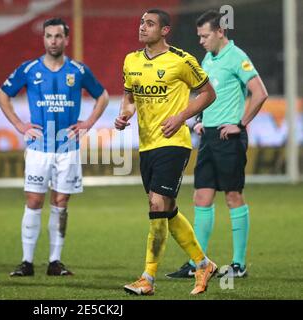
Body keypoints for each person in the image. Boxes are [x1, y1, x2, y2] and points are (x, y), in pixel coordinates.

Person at [115, 8, 218, 296]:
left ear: (164, 30)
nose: (143, 27)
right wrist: (125, 114)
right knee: (167, 210)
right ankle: (203, 263)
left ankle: (147, 278)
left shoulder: (181, 60)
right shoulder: (131, 60)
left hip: (174, 143)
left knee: (157, 205)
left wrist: (181, 116)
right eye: (141, 22)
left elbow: (209, 93)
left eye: (149, 23)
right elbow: (129, 96)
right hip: (146, 145)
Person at [0, 17, 109, 276]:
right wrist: (19, 125)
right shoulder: (29, 68)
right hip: (38, 148)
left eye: (58, 36)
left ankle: (55, 261)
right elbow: (2, 95)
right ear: (43, 39)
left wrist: (89, 122)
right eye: (49, 36)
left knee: (61, 203)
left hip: (68, 149)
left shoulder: (78, 71)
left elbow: (102, 96)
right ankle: (26, 262)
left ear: (66, 39)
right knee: (34, 201)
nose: (53, 41)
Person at [166, 10, 268, 279]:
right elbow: (205, 94)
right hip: (209, 137)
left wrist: (241, 124)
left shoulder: (237, 57)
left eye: (205, 35)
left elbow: (260, 93)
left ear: (220, 32)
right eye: (199, 36)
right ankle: (198, 263)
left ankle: (238, 264)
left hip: (229, 137)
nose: (201, 40)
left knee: (233, 196)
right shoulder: (208, 59)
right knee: (201, 197)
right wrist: (199, 119)